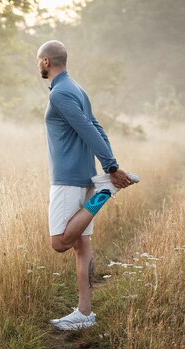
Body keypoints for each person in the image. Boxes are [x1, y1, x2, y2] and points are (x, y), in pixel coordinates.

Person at [36, 40, 138, 331]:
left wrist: (111, 169)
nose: (38, 66)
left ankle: (106, 193)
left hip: (68, 178)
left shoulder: (61, 94)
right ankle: (85, 313)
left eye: (38, 61)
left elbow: (88, 130)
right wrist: (110, 164)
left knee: (59, 242)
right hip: (82, 176)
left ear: (46, 62)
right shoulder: (76, 89)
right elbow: (97, 128)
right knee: (82, 245)